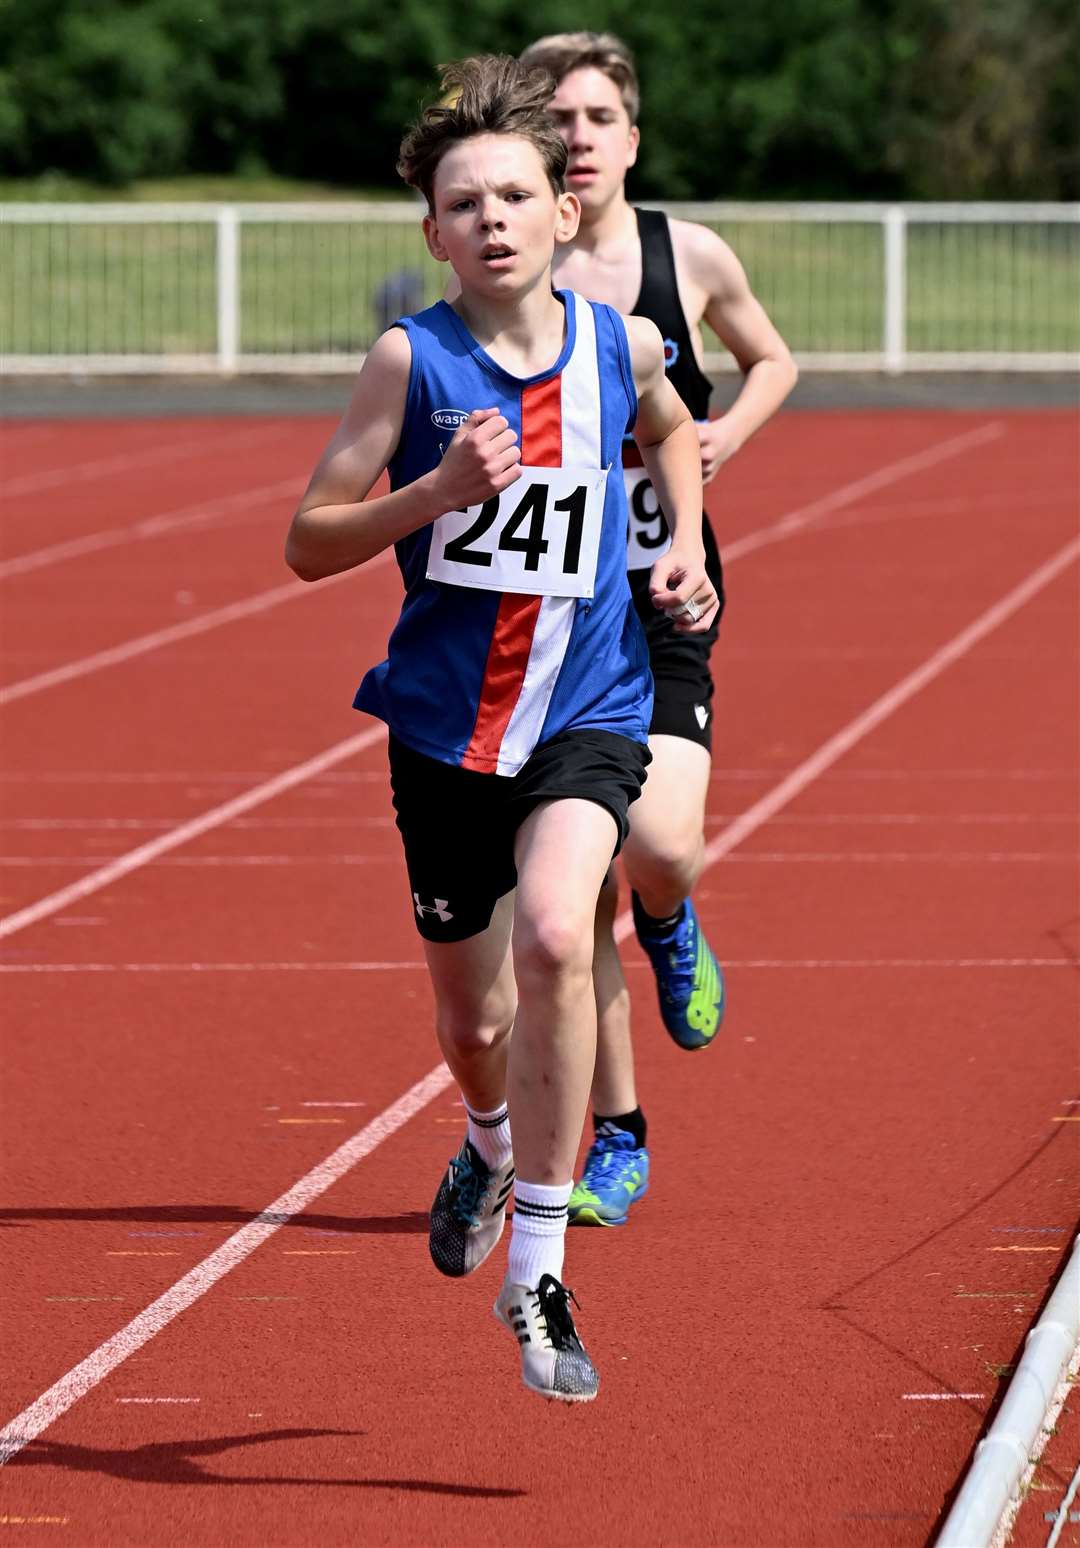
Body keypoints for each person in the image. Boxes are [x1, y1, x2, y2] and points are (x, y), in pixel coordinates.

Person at [285, 54, 718, 1403]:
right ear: (435, 233)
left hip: (589, 708)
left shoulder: (620, 344)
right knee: (471, 1022)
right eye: (465, 202)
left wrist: (684, 543)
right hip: (444, 736)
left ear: (559, 213)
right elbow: (307, 542)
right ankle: (483, 1136)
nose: (493, 219)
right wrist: (434, 492)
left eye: (515, 195)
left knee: (554, 933)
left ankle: (538, 1271)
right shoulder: (409, 362)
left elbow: (674, 430)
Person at [517, 32, 798, 1227]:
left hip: (665, 585)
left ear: (632, 138)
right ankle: (618, 1135)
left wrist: (720, 432)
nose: (576, 138)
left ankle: (675, 917)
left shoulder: (684, 254)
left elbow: (774, 356)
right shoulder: (513, 263)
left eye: (595, 117)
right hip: (550, 616)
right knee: (570, 901)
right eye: (555, 118)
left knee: (660, 848)